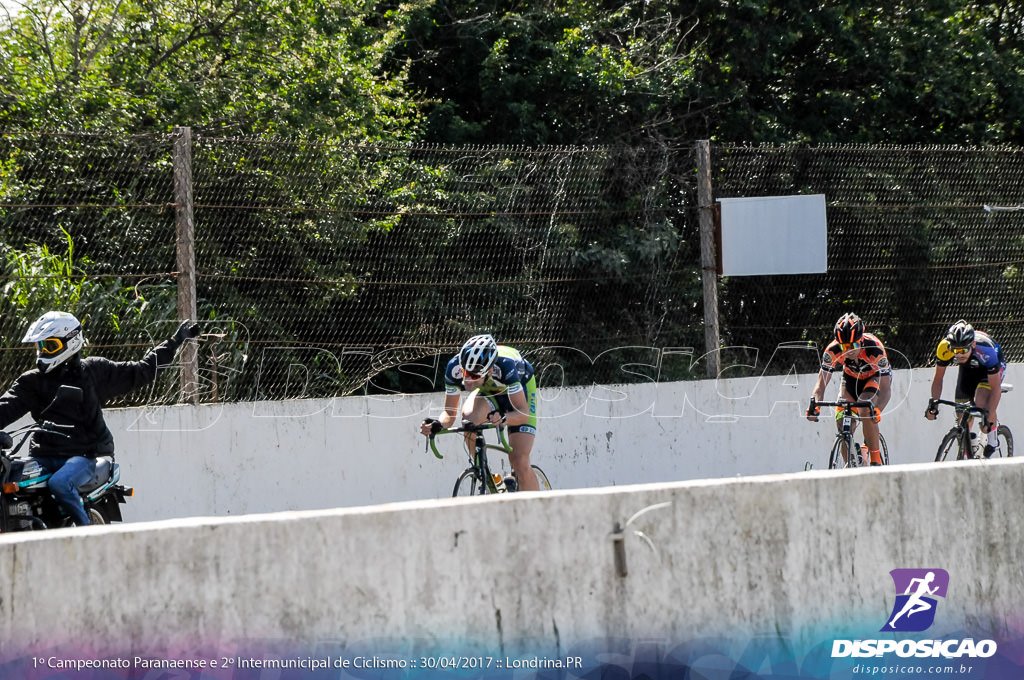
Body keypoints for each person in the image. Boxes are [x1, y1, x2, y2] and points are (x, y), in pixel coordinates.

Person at [0, 311, 199, 525]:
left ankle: (88, 536)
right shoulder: (31, 382)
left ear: (71, 342)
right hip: (44, 455)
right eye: (40, 346)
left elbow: (141, 371)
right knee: (12, 476)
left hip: (86, 455)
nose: (43, 352)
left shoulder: (93, 372)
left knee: (60, 482)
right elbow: (6, 406)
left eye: (50, 346)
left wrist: (174, 341)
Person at [420, 334, 540, 490]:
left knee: (519, 460)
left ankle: (536, 510)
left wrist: (504, 418)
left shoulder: (507, 366)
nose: (468, 380)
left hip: (519, 392)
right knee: (469, 419)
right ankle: (485, 473)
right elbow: (449, 414)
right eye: (466, 373)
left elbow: (523, 413)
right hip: (490, 391)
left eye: (475, 375)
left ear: (490, 370)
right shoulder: (454, 367)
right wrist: (438, 424)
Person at [806, 312, 892, 466]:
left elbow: (885, 388)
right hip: (850, 379)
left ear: (861, 340)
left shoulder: (875, 349)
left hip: (873, 378)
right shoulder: (832, 350)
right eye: (844, 346)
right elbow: (821, 384)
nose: (848, 350)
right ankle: (851, 466)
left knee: (865, 409)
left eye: (853, 345)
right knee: (843, 424)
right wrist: (814, 405)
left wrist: (877, 410)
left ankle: (876, 460)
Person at [925, 319, 1006, 458]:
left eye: (963, 350)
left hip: (989, 368)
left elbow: (995, 388)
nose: (959, 354)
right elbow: (938, 378)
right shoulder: (944, 348)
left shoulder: (986, 350)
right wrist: (934, 403)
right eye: (955, 350)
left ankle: (992, 440)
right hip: (968, 369)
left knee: (981, 403)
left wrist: (988, 415)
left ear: (973, 344)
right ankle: (971, 449)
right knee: (962, 415)